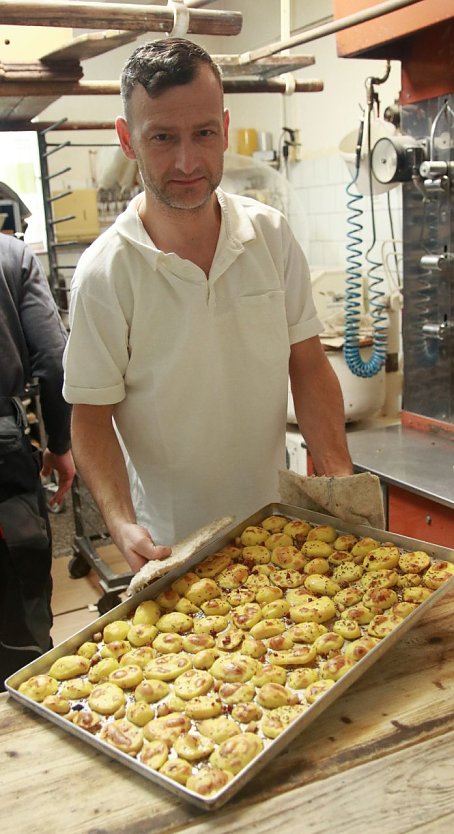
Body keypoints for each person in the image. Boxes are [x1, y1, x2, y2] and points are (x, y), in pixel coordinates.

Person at [63, 38, 353, 575]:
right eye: (162, 138)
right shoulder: (107, 273)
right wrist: (121, 520)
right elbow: (91, 416)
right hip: (175, 549)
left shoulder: (269, 236)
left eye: (203, 134)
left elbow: (308, 365)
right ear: (127, 139)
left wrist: (337, 476)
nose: (187, 161)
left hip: (280, 528)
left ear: (223, 126)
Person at [0, 230, 75, 688]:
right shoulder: (10, 254)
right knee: (19, 612)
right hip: (3, 457)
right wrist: (62, 445)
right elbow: (54, 359)